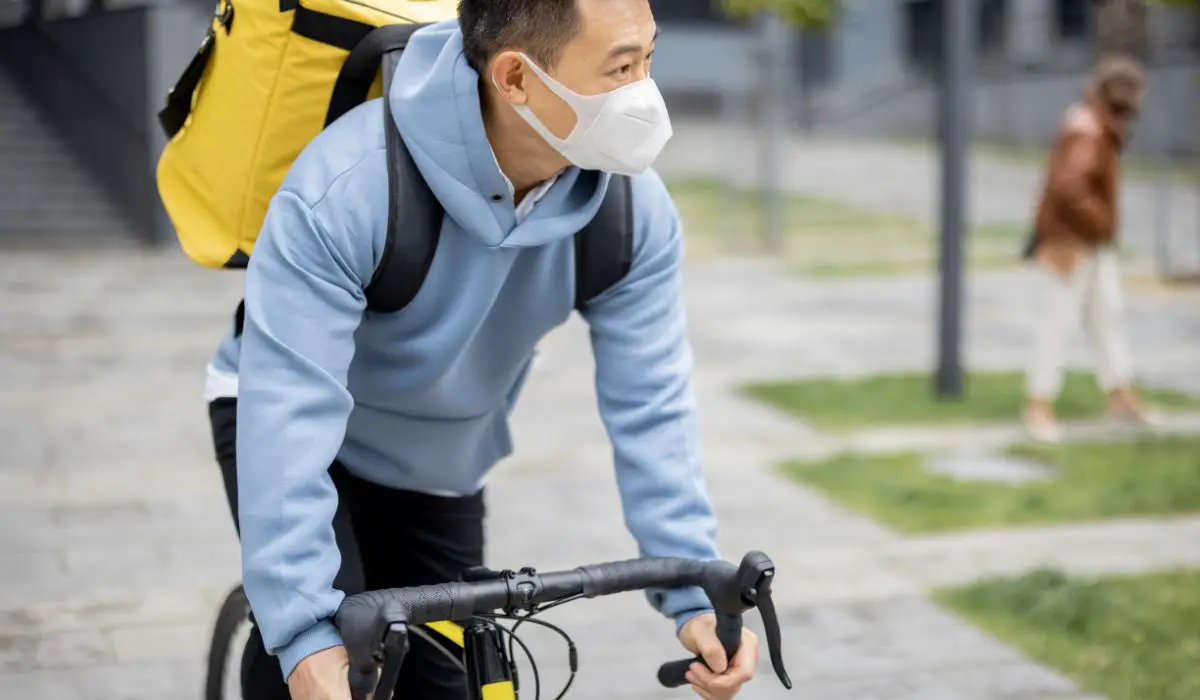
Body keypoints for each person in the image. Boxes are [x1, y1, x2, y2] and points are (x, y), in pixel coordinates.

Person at [203, 1, 759, 699]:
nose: (645, 92)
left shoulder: (630, 214)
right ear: (516, 79)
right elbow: (287, 414)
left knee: (447, 681)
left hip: (440, 460)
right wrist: (303, 635)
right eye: (620, 68)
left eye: (649, 58)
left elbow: (654, 407)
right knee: (314, 660)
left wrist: (696, 594)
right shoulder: (344, 189)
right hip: (293, 422)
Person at [1023, 54, 1156, 443]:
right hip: (1075, 241)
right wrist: (1101, 223)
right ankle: (1038, 403)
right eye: (1138, 91)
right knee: (1058, 321)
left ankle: (1119, 393)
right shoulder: (1089, 128)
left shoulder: (1093, 122)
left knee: (1107, 315)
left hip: (1089, 242)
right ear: (1122, 92)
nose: (1142, 100)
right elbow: (1069, 188)